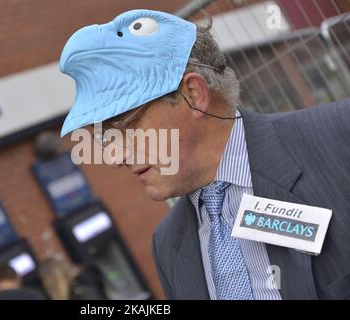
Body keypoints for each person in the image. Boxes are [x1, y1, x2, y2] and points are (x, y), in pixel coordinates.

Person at [59, 9, 350, 300]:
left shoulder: (338, 141)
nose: (112, 157)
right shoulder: (168, 245)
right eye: (102, 136)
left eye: (123, 126)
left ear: (194, 95)